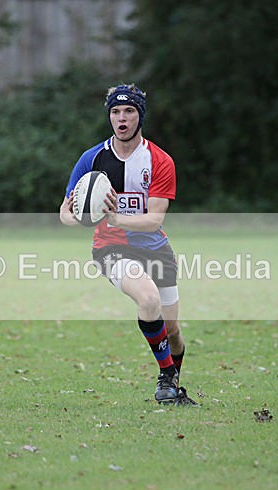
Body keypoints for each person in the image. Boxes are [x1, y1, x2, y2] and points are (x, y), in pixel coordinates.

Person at [59, 83, 196, 406]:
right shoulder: (92, 158)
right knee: (148, 299)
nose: (122, 118)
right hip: (111, 248)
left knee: (172, 330)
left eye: (129, 111)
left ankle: (174, 383)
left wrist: (115, 217)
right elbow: (64, 212)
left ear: (140, 116)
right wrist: (84, 217)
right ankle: (165, 380)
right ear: (110, 117)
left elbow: (154, 220)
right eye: (116, 112)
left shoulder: (159, 160)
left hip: (156, 248)